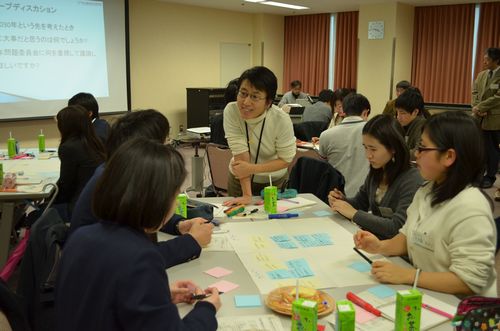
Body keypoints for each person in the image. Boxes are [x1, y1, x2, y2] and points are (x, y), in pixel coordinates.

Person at [56, 138, 220, 331]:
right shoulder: (141, 258)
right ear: (157, 201)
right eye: (175, 196)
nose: (175, 204)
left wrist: (158, 296)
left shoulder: (81, 237)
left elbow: (101, 298)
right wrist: (207, 309)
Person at [354, 111, 497, 296]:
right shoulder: (427, 190)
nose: (416, 153)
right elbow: (408, 236)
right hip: (427, 294)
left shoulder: (471, 208)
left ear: (449, 156)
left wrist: (408, 275)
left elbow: (469, 281)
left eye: (422, 148)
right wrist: (380, 247)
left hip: (459, 309)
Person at [70, 109, 213, 268]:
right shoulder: (117, 185)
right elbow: (138, 258)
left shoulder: (115, 172)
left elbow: (143, 213)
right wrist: (191, 241)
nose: (169, 146)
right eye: (165, 141)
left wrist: (177, 225)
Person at [328, 115, 423, 239]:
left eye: (373, 149)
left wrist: (354, 214)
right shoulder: (377, 170)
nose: (368, 155)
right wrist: (341, 201)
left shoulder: (412, 180)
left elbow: (397, 227)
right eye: (365, 148)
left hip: (393, 251)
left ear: (393, 148)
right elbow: (360, 202)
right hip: (373, 242)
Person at [223, 66, 296, 205]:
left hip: (273, 180)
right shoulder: (231, 111)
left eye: (255, 97)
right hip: (240, 180)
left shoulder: (281, 119)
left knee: (273, 222)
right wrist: (246, 195)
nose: (246, 102)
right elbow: (240, 155)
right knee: (238, 220)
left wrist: (252, 168)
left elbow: (286, 159)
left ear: (268, 102)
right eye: (243, 93)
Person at [54, 105, 106, 219]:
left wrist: (50, 201)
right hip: (99, 204)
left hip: (80, 207)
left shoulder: (69, 148)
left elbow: (66, 185)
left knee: (36, 215)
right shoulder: (94, 142)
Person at [318, 93, 371, 197]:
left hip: (335, 195)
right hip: (366, 197)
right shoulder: (374, 132)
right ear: (365, 112)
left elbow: (322, 167)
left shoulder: (326, 135)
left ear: (343, 110)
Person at [472, 47, 500, 189]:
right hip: (479, 117)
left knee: (492, 149)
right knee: (480, 148)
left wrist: (481, 107)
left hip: (494, 119)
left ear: (496, 60)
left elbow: (498, 97)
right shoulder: (482, 75)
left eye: (487, 59)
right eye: (484, 58)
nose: (484, 62)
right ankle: (479, 174)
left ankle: (490, 176)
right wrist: (476, 107)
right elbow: (475, 91)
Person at [395, 87, 428, 157]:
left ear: (415, 112)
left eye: (402, 113)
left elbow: (418, 152)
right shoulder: (402, 124)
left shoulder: (423, 126)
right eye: (397, 112)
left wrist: (394, 153)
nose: (398, 116)